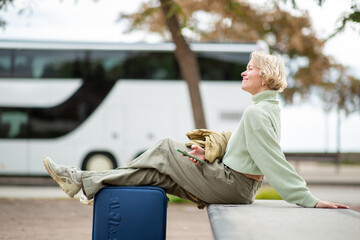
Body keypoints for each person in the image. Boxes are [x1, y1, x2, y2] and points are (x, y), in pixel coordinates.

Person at [43, 51, 349, 209]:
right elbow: (250, 150)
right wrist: (209, 152)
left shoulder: (257, 112)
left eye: (250, 68)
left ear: (265, 76)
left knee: (164, 147)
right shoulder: (267, 108)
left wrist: (307, 198)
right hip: (234, 183)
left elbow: (271, 160)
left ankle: (81, 179)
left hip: (233, 186)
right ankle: (85, 183)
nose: (244, 72)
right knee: (156, 173)